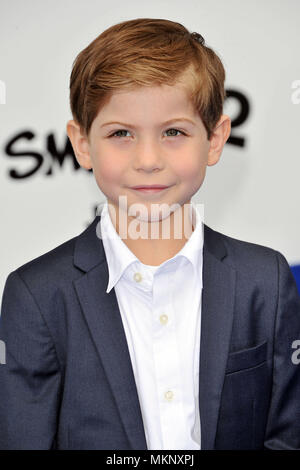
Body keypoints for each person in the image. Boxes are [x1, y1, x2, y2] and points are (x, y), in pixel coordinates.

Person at [1, 17, 300, 450]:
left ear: (215, 139)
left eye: (173, 132)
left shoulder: (265, 279)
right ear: (82, 143)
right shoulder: (37, 294)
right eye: (121, 133)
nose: (147, 159)